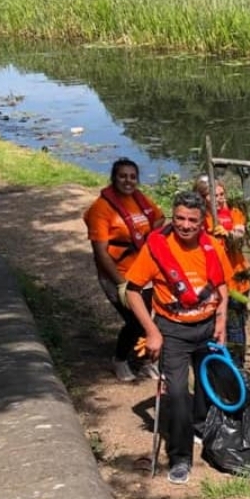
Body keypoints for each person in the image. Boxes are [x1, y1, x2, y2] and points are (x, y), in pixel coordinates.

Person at [124, 191, 230, 486]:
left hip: (207, 327)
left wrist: (221, 321)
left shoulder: (213, 246)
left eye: (192, 221)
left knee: (209, 388)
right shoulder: (157, 248)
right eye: (179, 218)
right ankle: (180, 456)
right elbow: (132, 290)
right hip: (173, 331)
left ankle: (205, 433)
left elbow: (221, 285)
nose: (185, 225)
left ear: (202, 222)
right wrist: (152, 331)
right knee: (179, 395)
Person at [83, 157, 165, 382]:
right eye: (122, 176)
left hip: (143, 273)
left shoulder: (140, 200)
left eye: (132, 177)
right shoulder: (101, 209)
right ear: (113, 178)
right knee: (137, 321)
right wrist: (120, 283)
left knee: (150, 318)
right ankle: (119, 360)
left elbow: (159, 220)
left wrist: (150, 240)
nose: (128, 181)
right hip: (117, 276)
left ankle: (147, 361)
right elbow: (101, 251)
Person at [195, 175, 250, 365]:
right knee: (212, 325)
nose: (219, 198)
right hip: (210, 283)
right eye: (214, 195)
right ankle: (215, 364)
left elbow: (240, 234)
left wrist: (228, 235)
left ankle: (238, 367)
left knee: (236, 326)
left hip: (236, 281)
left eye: (222, 194)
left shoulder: (235, 213)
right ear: (202, 197)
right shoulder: (199, 218)